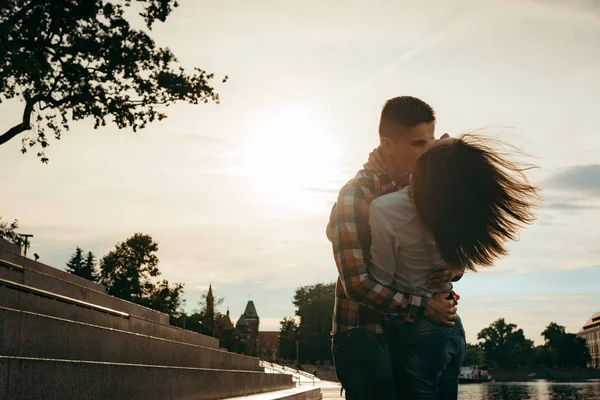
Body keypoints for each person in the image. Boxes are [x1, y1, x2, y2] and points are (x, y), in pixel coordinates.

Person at [366, 134, 539, 399]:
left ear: (432, 163)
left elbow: (381, 279)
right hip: (451, 328)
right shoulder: (449, 205)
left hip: (416, 332)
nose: (441, 137)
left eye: (439, 141)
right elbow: (454, 263)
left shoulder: (386, 208)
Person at [327, 96, 459, 400]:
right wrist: (425, 306)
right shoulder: (354, 196)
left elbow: (442, 254)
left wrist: (452, 268)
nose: (427, 152)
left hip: (413, 330)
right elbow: (356, 284)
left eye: (430, 142)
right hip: (364, 333)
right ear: (387, 144)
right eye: (417, 144)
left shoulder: (425, 188)